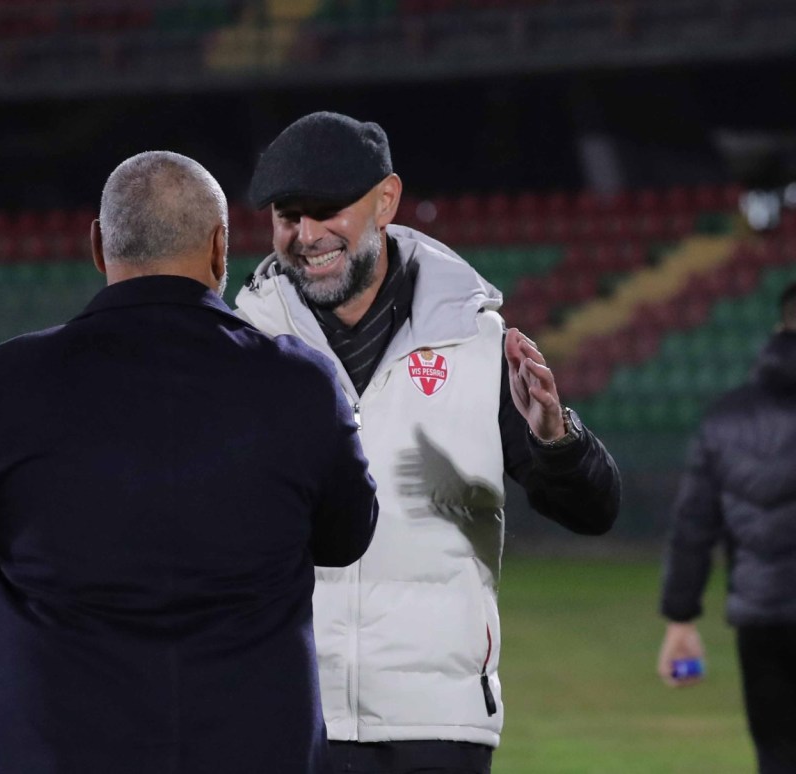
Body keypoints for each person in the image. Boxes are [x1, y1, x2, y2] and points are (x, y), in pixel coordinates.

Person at [0, 151, 379, 774]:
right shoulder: (301, 386)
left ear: (100, 247)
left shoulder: (6, 386)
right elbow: (348, 535)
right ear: (219, 249)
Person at [235, 112, 621, 774]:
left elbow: (594, 511)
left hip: (438, 724)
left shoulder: (477, 343)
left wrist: (557, 439)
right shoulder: (241, 350)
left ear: (385, 200)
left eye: (326, 210)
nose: (305, 236)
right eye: (287, 215)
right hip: (284, 711)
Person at [658, 280, 796, 774]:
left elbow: (693, 528)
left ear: (782, 324)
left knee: (777, 755)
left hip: (762, 619)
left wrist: (680, 620)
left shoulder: (727, 419)